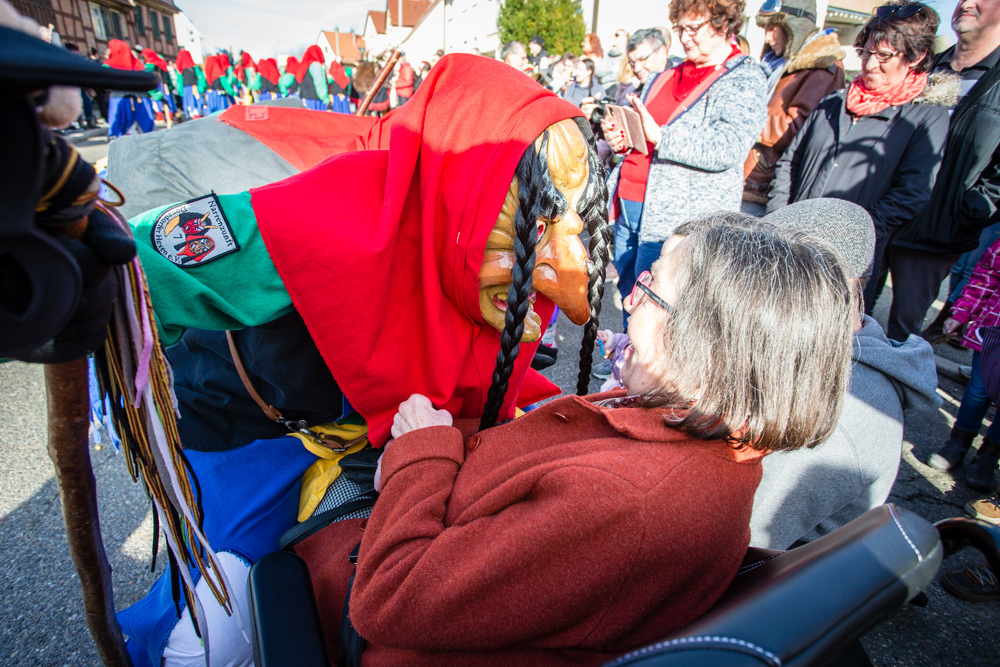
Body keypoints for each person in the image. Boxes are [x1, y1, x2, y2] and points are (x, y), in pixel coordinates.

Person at [114, 55, 614, 667]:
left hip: (380, 446)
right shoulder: (331, 217)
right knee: (220, 630)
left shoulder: (507, 265)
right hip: (257, 429)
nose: (564, 293)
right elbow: (140, 267)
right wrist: (70, 270)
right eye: (533, 230)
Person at [294, 217, 857, 666]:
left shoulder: (629, 502)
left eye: (649, 290)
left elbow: (392, 599)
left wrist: (421, 453)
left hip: (351, 614)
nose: (628, 302)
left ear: (710, 349)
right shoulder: (695, 431)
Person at [748, 199, 939, 549]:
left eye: (760, 277)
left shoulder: (838, 412)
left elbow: (739, 537)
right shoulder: (816, 347)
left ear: (815, 286)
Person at [767, 1, 955, 325]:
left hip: (848, 259)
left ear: (916, 57)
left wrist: (853, 233)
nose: (870, 64)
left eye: (884, 56)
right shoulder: (834, 102)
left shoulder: (926, 117)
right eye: (866, 52)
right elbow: (789, 163)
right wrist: (777, 221)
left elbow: (911, 193)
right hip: (790, 243)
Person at [602, 10, 766, 330]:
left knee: (662, 309)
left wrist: (662, 137)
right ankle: (626, 352)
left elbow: (729, 146)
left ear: (723, 23)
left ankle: (644, 359)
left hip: (676, 221)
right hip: (631, 204)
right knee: (631, 294)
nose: (684, 37)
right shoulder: (664, 76)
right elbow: (645, 140)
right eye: (679, 28)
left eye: (693, 28)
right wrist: (622, 140)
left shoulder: (743, 77)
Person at [886, 0, 1000, 342]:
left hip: (938, 232)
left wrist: (971, 209)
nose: (966, 3)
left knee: (902, 338)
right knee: (852, 316)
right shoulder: (927, 65)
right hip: (886, 215)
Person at [742, 8, 846, 214]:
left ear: (794, 28)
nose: (768, 37)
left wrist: (744, 115)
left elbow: (797, 126)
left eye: (773, 28)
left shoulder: (822, 66)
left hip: (765, 184)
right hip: (749, 176)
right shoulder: (781, 62)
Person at [926, 236, 1000, 491]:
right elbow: (986, 276)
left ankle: (989, 455)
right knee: (979, 390)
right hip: (995, 331)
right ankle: (958, 441)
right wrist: (962, 313)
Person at [104, 39, 155, 139]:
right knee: (144, 131)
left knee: (119, 128)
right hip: (140, 100)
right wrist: (157, 96)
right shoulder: (138, 64)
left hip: (119, 99)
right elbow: (149, 83)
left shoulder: (108, 65)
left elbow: (102, 84)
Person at [142, 48, 175, 129]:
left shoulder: (150, 63)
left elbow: (145, 73)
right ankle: (170, 118)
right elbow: (168, 76)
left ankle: (162, 117)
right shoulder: (162, 62)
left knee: (158, 101)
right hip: (165, 84)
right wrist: (170, 85)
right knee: (166, 101)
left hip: (157, 84)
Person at [297, 45, 329, 111]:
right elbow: (320, 83)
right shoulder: (316, 65)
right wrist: (326, 99)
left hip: (305, 100)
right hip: (315, 101)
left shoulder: (304, 66)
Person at [176, 48, 204, 118]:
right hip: (195, 87)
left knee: (190, 104)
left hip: (186, 89)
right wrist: (201, 87)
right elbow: (200, 77)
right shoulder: (195, 67)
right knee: (197, 102)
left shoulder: (180, 70)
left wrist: (181, 91)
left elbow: (179, 82)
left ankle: (194, 116)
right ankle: (198, 115)